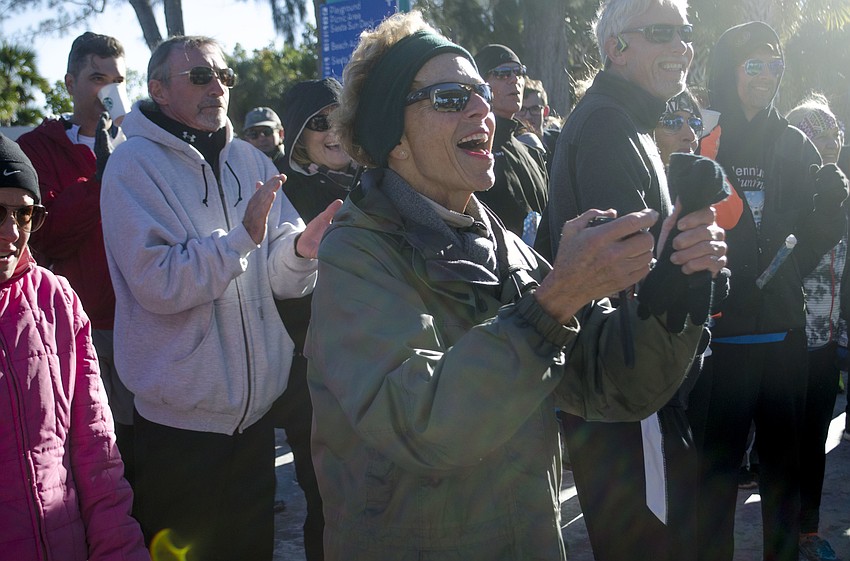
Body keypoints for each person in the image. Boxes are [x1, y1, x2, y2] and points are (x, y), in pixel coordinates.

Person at [306, 10, 727, 560]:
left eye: (481, 90)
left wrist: (677, 289)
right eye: (451, 98)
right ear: (393, 138)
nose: (483, 106)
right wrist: (556, 299)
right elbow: (423, 424)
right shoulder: (356, 254)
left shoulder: (497, 240)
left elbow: (610, 386)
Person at [99, 36, 341, 561]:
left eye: (225, 77)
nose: (219, 88)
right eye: (201, 77)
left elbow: (280, 276)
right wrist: (240, 241)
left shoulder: (251, 159)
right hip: (180, 432)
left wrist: (301, 251)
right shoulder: (131, 167)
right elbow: (158, 283)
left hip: (254, 424)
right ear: (158, 89)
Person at [538, 2, 722, 559]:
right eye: (662, 34)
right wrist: (686, 271)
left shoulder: (627, 120)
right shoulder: (607, 125)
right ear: (616, 48)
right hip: (623, 394)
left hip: (631, 389)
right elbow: (624, 278)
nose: (682, 47)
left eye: (685, 33)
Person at [690, 22, 848, 561]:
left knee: (783, 480)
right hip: (718, 342)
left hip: (784, 340)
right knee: (713, 486)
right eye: (753, 65)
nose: (766, 77)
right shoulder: (704, 133)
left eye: (775, 66)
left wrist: (827, 223)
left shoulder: (794, 142)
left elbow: (811, 232)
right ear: (729, 69)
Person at [0, 133, 149, 561]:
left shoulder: (56, 298)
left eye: (26, 214)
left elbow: (97, 453)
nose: (12, 231)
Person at [16, 31, 138, 484]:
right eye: (97, 78)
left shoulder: (139, 143)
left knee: (143, 449)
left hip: (142, 320)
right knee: (94, 451)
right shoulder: (38, 147)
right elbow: (46, 234)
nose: (109, 90)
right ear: (70, 83)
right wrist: (102, 178)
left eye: (119, 79)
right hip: (79, 325)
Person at [270, 77, 360, 561]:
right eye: (318, 122)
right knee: (329, 503)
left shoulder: (375, 180)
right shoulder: (283, 191)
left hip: (378, 364)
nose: (332, 131)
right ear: (297, 135)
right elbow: (279, 286)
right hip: (315, 380)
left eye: (339, 116)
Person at [785, 94, 846, 561]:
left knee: (813, 442)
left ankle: (807, 530)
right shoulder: (792, 198)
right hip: (784, 340)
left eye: (835, 133)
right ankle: (781, 532)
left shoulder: (842, 197)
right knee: (782, 444)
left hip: (826, 342)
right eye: (818, 133)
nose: (830, 142)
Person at [473, 44, 548, 244]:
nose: (515, 80)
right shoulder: (472, 151)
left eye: (519, 72)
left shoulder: (531, 151)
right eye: (503, 74)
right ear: (481, 85)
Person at [243, 106, 286, 172]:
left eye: (267, 131)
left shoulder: (294, 164)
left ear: (280, 133)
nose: (261, 138)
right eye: (253, 134)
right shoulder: (242, 169)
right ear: (247, 139)